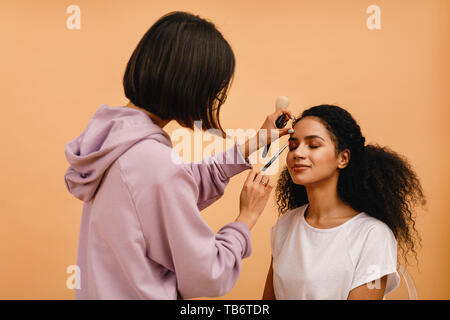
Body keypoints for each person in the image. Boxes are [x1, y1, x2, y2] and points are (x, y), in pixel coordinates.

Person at [64, 11, 294, 299]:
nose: (213, 100)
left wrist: (256, 141)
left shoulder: (114, 141)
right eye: (213, 89)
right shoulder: (153, 163)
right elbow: (208, 274)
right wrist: (245, 218)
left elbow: (172, 186)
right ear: (189, 85)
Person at [263, 105, 426, 300]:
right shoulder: (286, 225)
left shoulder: (372, 235)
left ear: (343, 158)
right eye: (292, 145)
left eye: (313, 145)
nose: (298, 153)